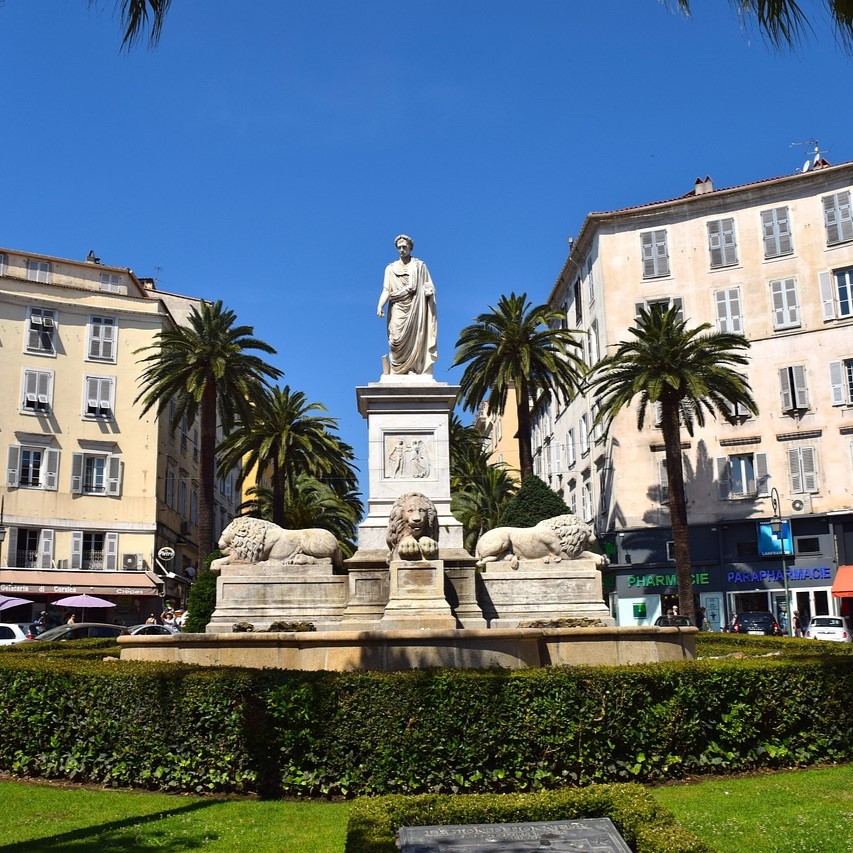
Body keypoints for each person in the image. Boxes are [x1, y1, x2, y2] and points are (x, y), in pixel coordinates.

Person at [377, 234, 438, 375]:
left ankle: (412, 368)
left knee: (416, 338)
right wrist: (380, 305)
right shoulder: (390, 268)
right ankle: (397, 369)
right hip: (398, 306)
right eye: (399, 247)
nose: (401, 250)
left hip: (416, 308)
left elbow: (428, 285)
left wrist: (429, 291)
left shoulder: (419, 266)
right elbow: (386, 290)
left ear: (410, 248)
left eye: (404, 247)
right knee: (395, 339)